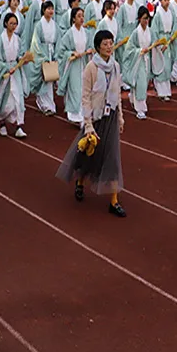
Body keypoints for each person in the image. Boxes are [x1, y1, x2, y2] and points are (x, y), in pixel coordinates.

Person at [56, 29, 127, 218]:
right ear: (97, 47)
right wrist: (87, 124)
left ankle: (114, 201)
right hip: (94, 118)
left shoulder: (115, 67)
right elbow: (85, 97)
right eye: (105, 44)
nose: (109, 47)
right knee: (88, 154)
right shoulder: (91, 68)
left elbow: (117, 94)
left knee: (112, 156)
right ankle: (80, 182)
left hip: (110, 117)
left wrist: (120, 116)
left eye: (111, 43)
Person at [0, 12, 30, 138]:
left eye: (15, 24)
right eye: (11, 23)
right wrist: (5, 68)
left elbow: (20, 54)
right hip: (5, 73)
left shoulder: (17, 40)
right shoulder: (0, 40)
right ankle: (2, 123)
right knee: (5, 100)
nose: (13, 26)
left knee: (18, 100)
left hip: (15, 72)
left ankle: (19, 125)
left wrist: (22, 59)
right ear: (5, 24)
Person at [56, 6, 93, 125]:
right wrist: (71, 53)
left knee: (85, 89)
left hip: (84, 63)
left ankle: (84, 115)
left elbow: (90, 46)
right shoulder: (68, 34)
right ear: (73, 19)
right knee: (75, 89)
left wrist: (89, 51)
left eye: (83, 16)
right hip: (73, 65)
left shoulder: (87, 33)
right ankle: (75, 115)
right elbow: (61, 52)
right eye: (79, 16)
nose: (82, 18)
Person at [123, 7, 161, 119]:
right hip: (138, 60)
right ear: (139, 19)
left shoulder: (150, 31)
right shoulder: (135, 33)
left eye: (148, 18)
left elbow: (154, 42)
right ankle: (140, 108)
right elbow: (129, 48)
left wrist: (157, 46)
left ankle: (135, 99)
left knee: (143, 82)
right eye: (144, 18)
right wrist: (139, 51)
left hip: (147, 61)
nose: (146, 21)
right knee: (140, 83)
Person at [26, 0, 60, 116]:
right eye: (48, 9)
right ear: (43, 11)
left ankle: (50, 104)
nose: (51, 11)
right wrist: (43, 56)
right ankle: (44, 103)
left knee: (50, 80)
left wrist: (56, 54)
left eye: (52, 9)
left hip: (52, 52)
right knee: (43, 79)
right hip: (43, 54)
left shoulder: (55, 25)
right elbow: (36, 43)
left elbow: (59, 41)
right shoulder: (39, 25)